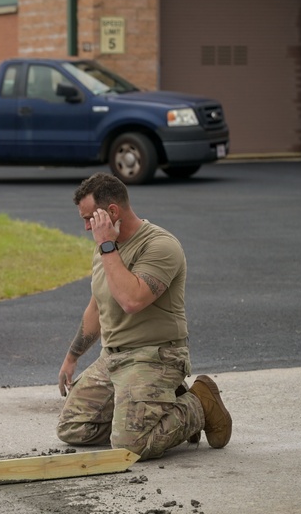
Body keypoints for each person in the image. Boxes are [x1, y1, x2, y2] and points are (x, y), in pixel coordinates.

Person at [55, 172, 232, 460]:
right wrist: (72, 357)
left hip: (155, 356)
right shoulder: (104, 249)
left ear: (112, 212)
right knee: (73, 429)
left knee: (130, 446)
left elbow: (131, 301)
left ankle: (200, 402)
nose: (87, 227)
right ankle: (157, 407)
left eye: (90, 219)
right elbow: (97, 306)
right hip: (112, 358)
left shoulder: (160, 246)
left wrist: (107, 246)